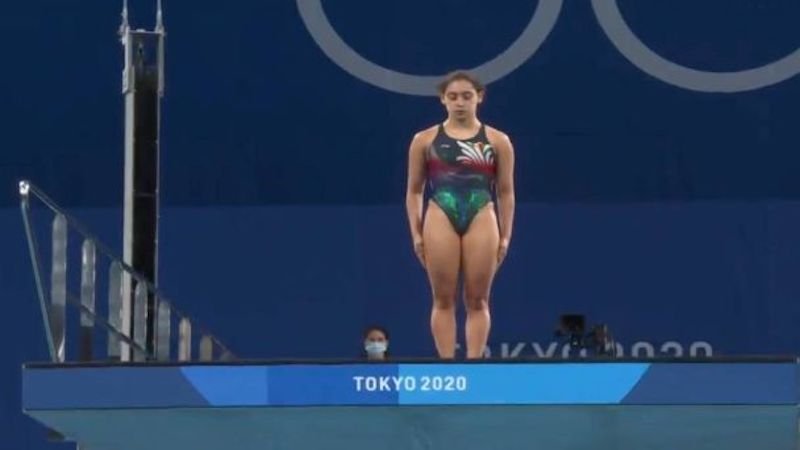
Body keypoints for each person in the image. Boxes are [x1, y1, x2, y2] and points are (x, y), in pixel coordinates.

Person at [405, 70, 515, 359]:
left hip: (481, 212)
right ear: (443, 100)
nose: (460, 103)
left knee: (478, 299)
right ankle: (447, 366)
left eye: (466, 96)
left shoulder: (498, 141)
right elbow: (414, 191)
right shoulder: (424, 140)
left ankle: (474, 365)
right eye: (453, 97)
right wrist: (416, 234)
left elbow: (505, 192)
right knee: (443, 299)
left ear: (480, 97)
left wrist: (506, 236)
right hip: (441, 212)